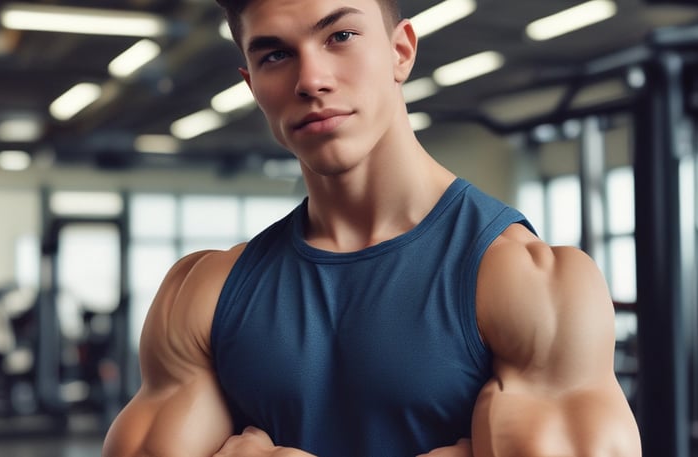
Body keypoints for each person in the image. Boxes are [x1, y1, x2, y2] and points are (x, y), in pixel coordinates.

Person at [102, 0, 642, 455]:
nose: (311, 80)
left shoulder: (531, 284)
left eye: (340, 35)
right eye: (275, 55)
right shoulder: (203, 295)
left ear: (400, 51)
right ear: (251, 84)